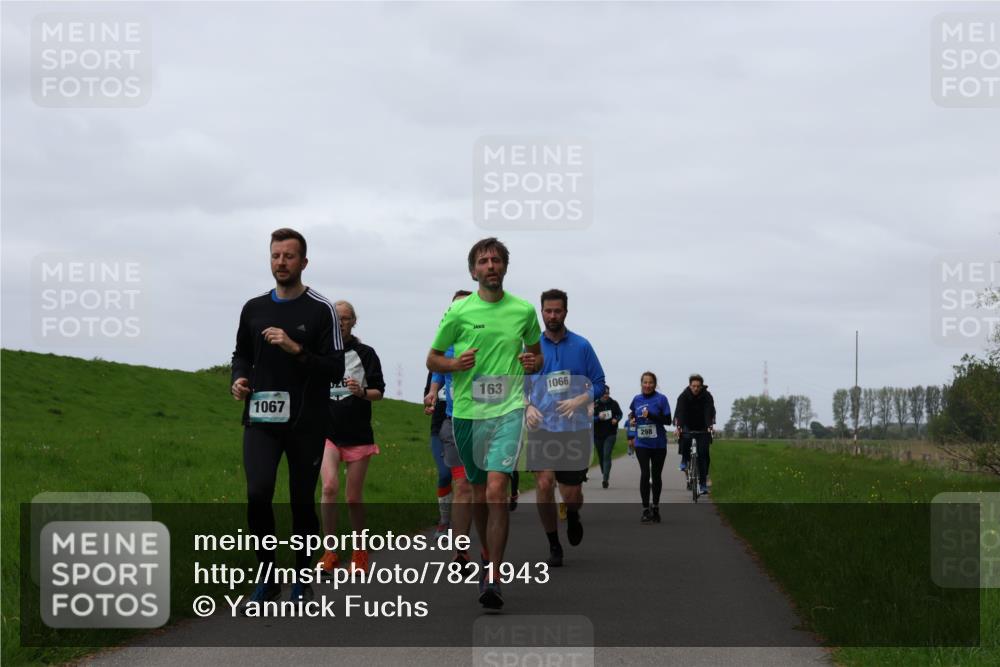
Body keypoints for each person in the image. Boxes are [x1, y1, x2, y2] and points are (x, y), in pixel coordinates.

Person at [426, 237, 543, 609]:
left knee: (495, 491)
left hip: (508, 410)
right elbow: (431, 359)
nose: (490, 265)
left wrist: (532, 363)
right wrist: (453, 365)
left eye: (496, 260)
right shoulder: (459, 312)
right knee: (478, 493)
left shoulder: (523, 311)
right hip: (467, 412)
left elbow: (537, 356)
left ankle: (493, 574)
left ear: (505, 267)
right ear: (473, 270)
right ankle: (485, 554)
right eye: (483, 261)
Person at [231, 228, 344, 606]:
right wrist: (239, 378)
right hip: (261, 418)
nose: (281, 262)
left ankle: (301, 576)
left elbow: (334, 367)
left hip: (305, 422)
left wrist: (296, 348)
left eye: (289, 256)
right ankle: (267, 577)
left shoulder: (320, 309)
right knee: (258, 493)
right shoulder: (253, 308)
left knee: (300, 502)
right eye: (276, 255)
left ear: (304, 262)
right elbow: (241, 354)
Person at [525, 289, 606, 567]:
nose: (552, 316)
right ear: (542, 312)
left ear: (565, 312)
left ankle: (572, 514)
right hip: (542, 428)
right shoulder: (531, 347)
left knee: (571, 495)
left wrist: (580, 399)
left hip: (574, 428)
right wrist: (527, 407)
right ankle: (553, 544)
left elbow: (598, 383)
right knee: (544, 484)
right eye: (547, 311)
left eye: (557, 311)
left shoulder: (582, 346)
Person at [317, 300, 385, 574]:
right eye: (337, 318)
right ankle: (330, 552)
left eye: (346, 318)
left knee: (353, 497)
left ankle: (360, 552)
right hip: (327, 433)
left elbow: (378, 391)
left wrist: (360, 393)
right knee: (329, 487)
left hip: (358, 434)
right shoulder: (321, 352)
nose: (341, 322)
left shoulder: (365, 354)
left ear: (353, 322)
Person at [424, 290, 475, 568]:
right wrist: (433, 392)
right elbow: (438, 371)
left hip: (489, 422)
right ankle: (461, 550)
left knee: (489, 489)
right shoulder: (448, 344)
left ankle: (491, 555)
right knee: (462, 483)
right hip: (455, 421)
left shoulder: (487, 339)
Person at [629, 372, 672, 524]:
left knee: (656, 475)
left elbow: (668, 420)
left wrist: (652, 415)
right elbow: (632, 414)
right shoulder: (636, 399)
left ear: (655, 384)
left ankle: (656, 507)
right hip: (642, 443)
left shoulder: (661, 399)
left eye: (650, 383)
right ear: (641, 383)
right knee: (645, 474)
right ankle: (645, 509)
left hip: (659, 444)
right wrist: (633, 421)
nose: (647, 385)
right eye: (645, 382)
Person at [674, 374, 717, 496]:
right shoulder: (683, 396)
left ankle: (703, 484)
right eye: (693, 386)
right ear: (690, 385)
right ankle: (684, 459)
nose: (696, 388)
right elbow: (681, 412)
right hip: (687, 423)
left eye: (698, 386)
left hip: (703, 425)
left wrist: (710, 426)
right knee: (685, 437)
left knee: (703, 455)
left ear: (702, 386)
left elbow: (708, 411)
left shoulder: (707, 396)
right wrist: (679, 427)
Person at [423, 369, 452, 537]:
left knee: (467, 480)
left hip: (465, 424)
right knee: (444, 474)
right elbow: (428, 394)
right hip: (438, 428)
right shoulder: (436, 367)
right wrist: (428, 405)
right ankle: (444, 521)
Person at [593, 385, 623, 488]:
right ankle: (604, 472)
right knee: (601, 456)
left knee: (606, 455)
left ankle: (605, 479)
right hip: (597, 435)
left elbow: (620, 414)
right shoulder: (595, 404)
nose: (606, 395)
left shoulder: (614, 403)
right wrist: (598, 418)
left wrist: (616, 419)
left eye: (607, 393)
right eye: (604, 393)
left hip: (610, 434)